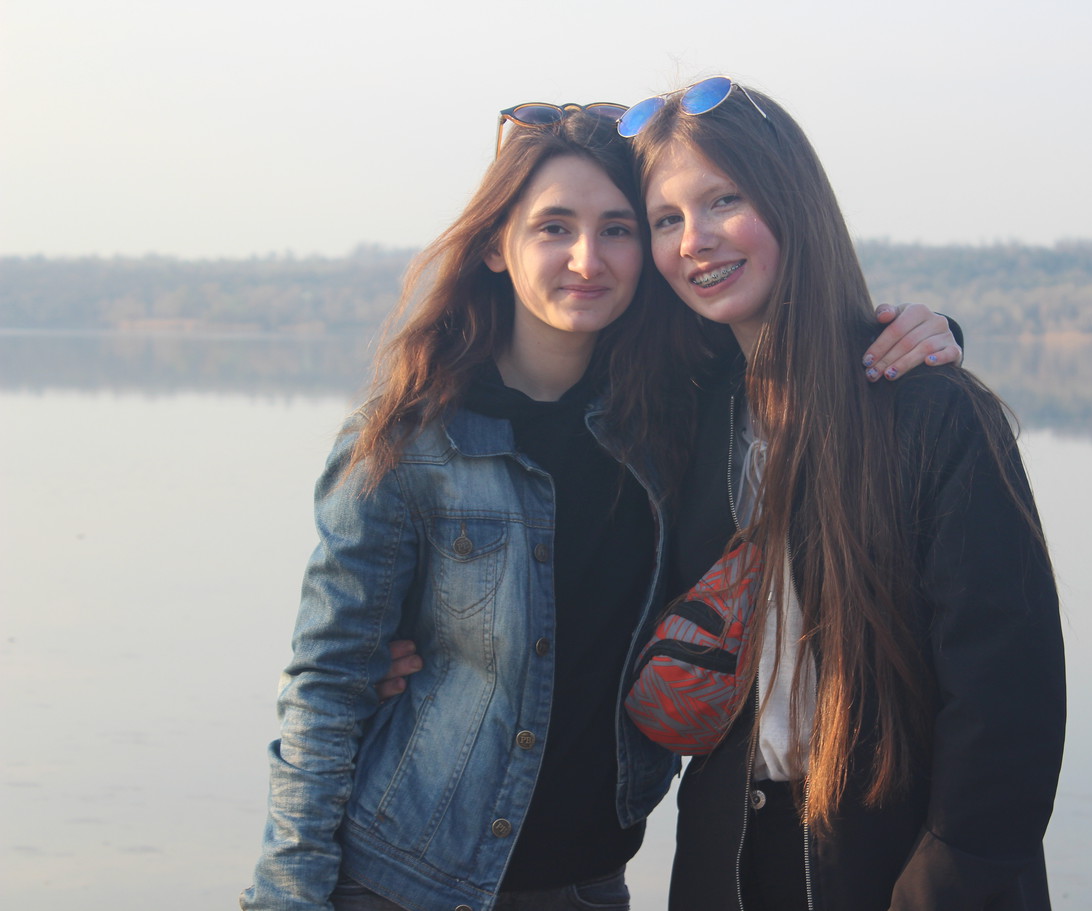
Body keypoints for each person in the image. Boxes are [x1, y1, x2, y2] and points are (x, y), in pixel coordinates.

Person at [242, 102, 961, 911]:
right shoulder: (409, 440)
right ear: (495, 245)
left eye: (618, 229)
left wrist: (923, 332)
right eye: (554, 227)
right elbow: (328, 683)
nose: (587, 258)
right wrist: (287, 894)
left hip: (588, 883)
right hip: (403, 880)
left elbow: (803, 357)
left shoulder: (672, 422)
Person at [622, 77, 1066, 910]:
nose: (695, 240)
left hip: (903, 867)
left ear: (792, 200)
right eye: (666, 220)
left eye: (724, 200)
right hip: (728, 862)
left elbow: (1008, 701)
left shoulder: (931, 413)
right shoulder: (685, 420)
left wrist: (941, 884)